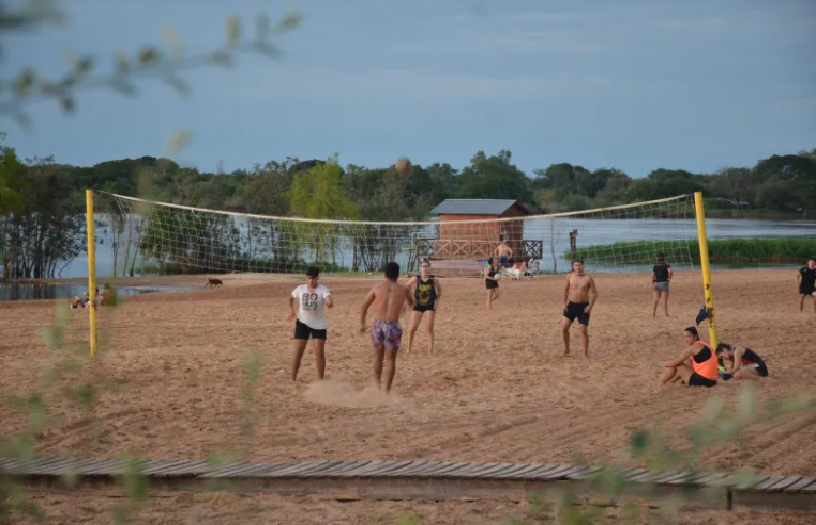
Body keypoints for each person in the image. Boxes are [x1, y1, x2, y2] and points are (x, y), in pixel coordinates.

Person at [360, 262, 414, 394]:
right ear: (398, 274)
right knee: (390, 359)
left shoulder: (377, 287)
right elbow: (412, 303)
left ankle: (377, 387)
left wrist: (362, 323)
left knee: (378, 358)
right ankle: (387, 391)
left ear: (384, 274)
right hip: (392, 325)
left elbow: (365, 305)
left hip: (378, 324)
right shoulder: (403, 289)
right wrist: (404, 308)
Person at [287, 266, 333, 382]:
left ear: (317, 278)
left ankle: (320, 380)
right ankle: (293, 379)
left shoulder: (323, 289)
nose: (310, 281)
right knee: (297, 353)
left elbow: (328, 299)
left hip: (319, 325)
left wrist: (329, 302)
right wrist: (291, 310)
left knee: (319, 353)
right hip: (302, 324)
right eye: (308, 278)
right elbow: (290, 298)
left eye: (313, 278)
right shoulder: (301, 289)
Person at [562, 259, 597, 357]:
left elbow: (594, 293)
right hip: (571, 305)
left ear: (583, 266)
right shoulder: (569, 277)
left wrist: (590, 307)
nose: (577, 267)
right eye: (575, 265)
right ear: (573, 266)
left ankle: (585, 354)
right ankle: (567, 349)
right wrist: (564, 303)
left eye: (579, 265)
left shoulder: (588, 278)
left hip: (584, 307)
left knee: (583, 330)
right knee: (564, 327)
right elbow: (565, 290)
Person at [405, 260, 442, 355]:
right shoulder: (416, 278)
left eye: (426, 266)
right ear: (420, 268)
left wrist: (436, 302)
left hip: (429, 306)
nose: (424, 268)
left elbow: (439, 292)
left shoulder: (433, 279)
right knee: (413, 327)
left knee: (429, 328)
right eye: (423, 266)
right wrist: (411, 298)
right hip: (418, 305)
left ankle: (430, 350)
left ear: (429, 268)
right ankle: (408, 348)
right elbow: (407, 286)